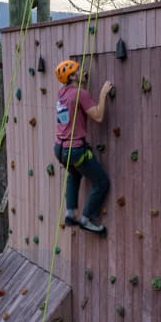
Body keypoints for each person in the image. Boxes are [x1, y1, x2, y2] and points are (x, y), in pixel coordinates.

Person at [53, 59, 113, 235]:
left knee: (74, 174)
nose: (81, 72)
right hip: (75, 149)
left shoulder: (62, 93)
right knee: (101, 182)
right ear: (71, 76)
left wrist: (82, 84)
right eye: (78, 71)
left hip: (60, 148)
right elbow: (99, 117)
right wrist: (102, 94)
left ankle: (70, 213)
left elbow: (74, 103)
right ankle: (86, 220)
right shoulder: (80, 93)